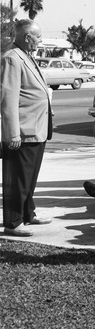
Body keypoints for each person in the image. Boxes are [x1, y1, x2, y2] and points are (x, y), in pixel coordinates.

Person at [1, 19, 53, 237]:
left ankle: (27, 213)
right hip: (22, 131)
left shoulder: (26, 56)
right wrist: (13, 133)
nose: (40, 41)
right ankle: (13, 222)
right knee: (18, 180)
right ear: (26, 37)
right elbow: (8, 99)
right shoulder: (12, 58)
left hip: (37, 129)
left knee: (29, 178)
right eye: (38, 37)